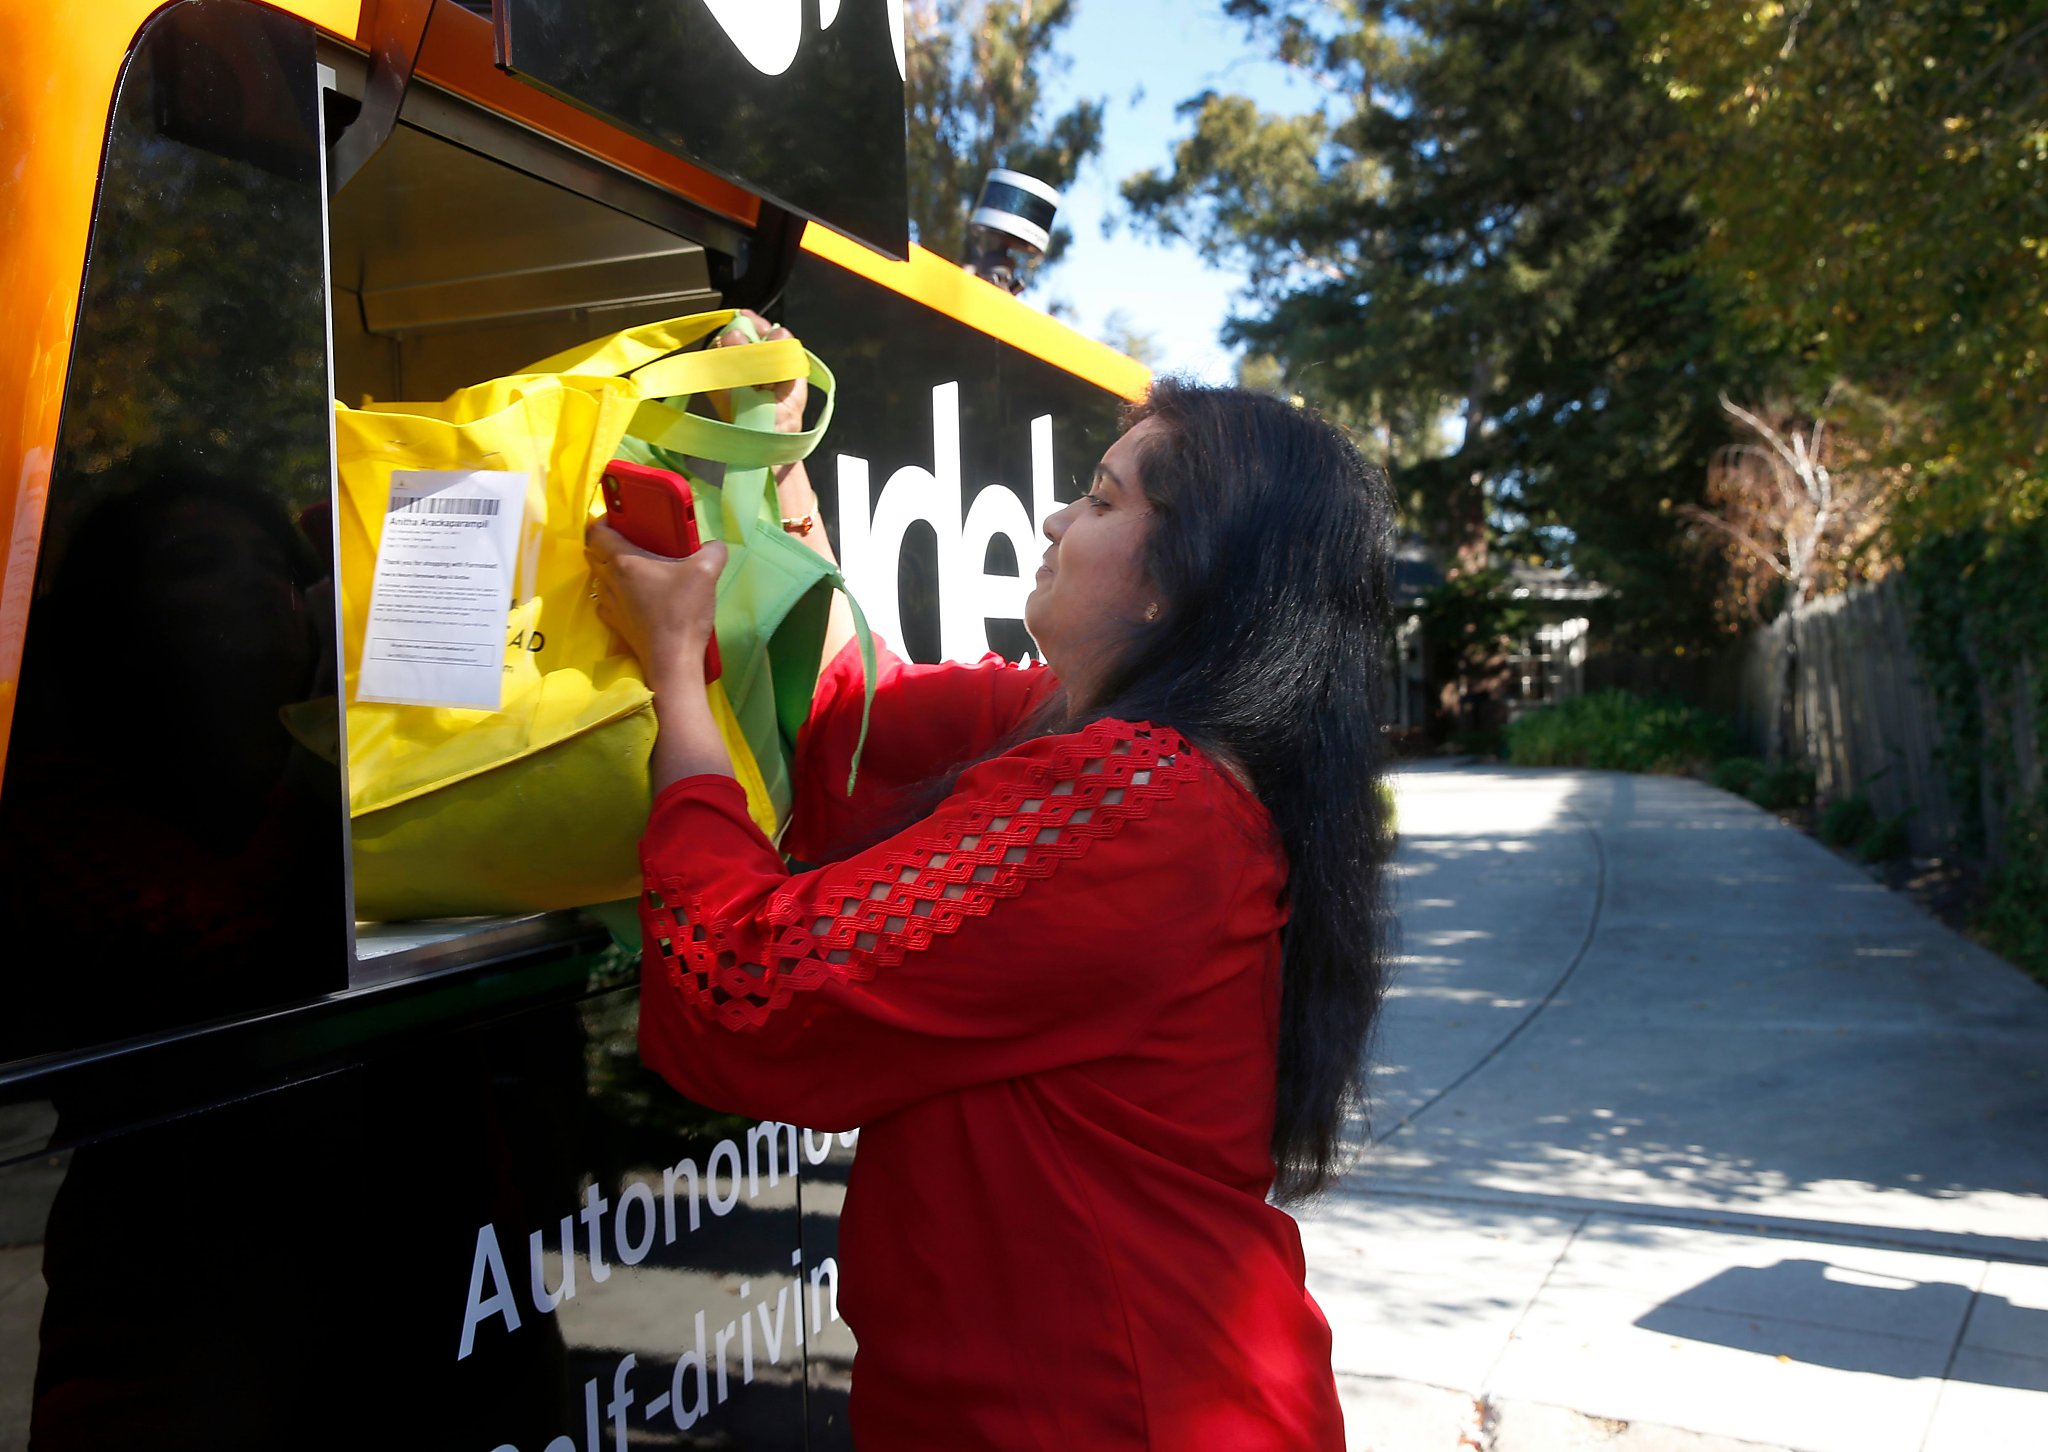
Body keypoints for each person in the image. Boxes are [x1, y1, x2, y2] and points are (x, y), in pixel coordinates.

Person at [585, 314, 1396, 1450]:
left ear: (1184, 578)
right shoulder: (1106, 738)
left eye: (1104, 500)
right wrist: (779, 480)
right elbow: (860, 712)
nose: (1059, 518)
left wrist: (673, 672)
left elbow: (746, 986)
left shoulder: (1133, 800)